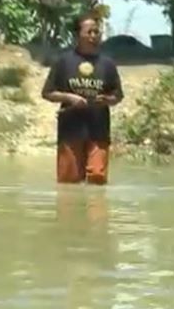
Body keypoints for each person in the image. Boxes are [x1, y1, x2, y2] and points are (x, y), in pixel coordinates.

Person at [41, 12, 124, 185]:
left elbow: (118, 95)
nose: (94, 36)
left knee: (97, 177)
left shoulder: (107, 64)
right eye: (89, 32)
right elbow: (47, 93)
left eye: (97, 32)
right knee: (68, 182)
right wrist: (70, 98)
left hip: (98, 128)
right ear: (78, 35)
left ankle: (96, 210)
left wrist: (109, 100)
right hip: (71, 128)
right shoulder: (63, 62)